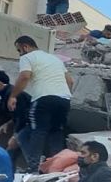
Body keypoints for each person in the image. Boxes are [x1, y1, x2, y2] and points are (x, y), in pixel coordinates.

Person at [9, 35, 73, 171]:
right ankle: (57, 167)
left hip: (43, 99)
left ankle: (33, 168)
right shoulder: (55, 59)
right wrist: (63, 95)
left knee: (38, 131)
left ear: (25, 47)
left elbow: (25, 76)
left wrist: (13, 96)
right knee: (56, 132)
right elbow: (70, 81)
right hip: (64, 99)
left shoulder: (27, 57)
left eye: (18, 50)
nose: (19, 54)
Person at [0, 71, 32, 159]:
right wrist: (6, 124)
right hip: (27, 123)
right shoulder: (8, 93)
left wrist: (15, 135)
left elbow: (21, 115)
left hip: (29, 123)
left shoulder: (12, 94)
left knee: (15, 145)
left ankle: (33, 167)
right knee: (13, 148)